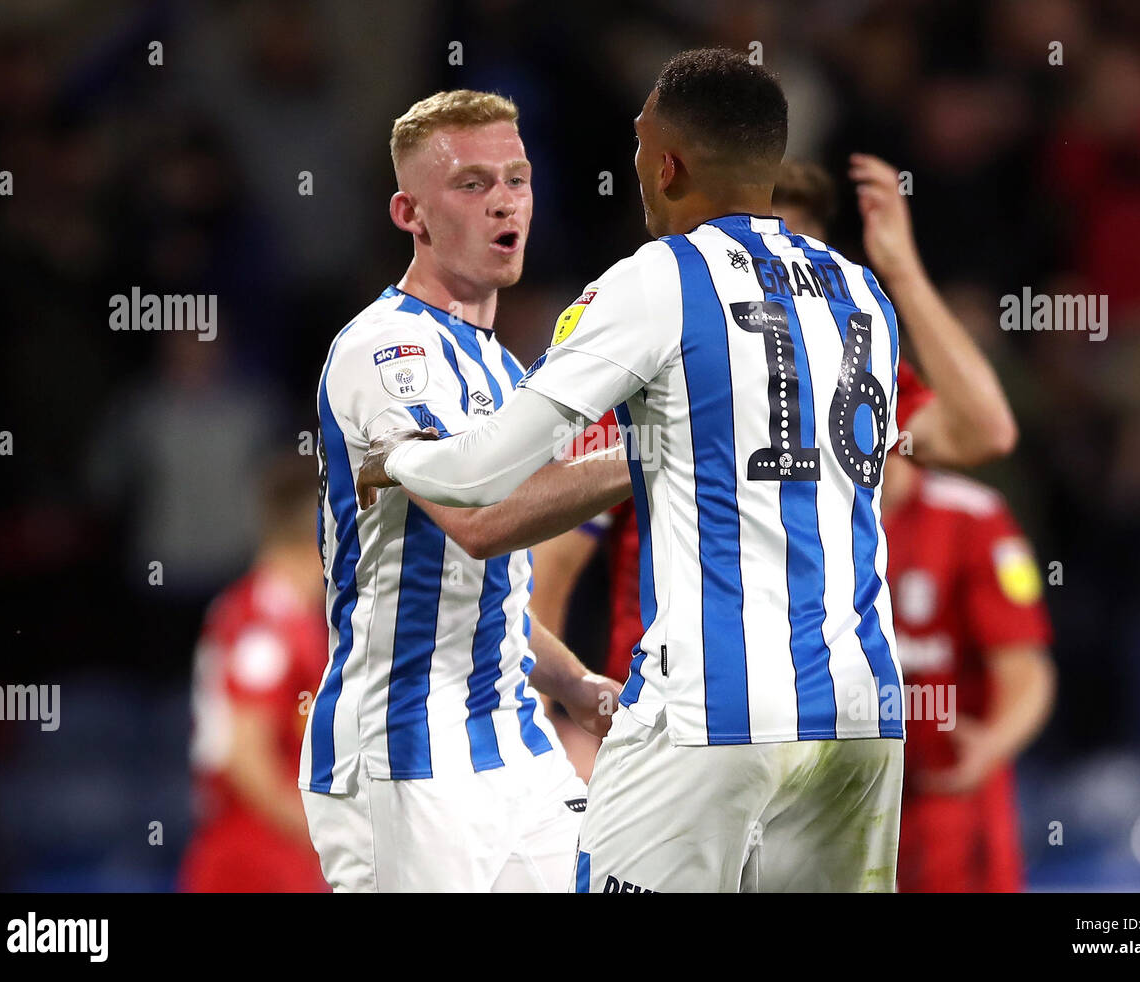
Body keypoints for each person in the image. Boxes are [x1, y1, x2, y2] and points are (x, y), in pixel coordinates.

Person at [359, 49, 911, 892]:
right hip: (861, 707)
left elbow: (480, 477)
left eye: (640, 145)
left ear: (669, 164)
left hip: (709, 710)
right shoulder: (863, 295)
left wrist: (396, 455)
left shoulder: (657, 280)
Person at [530, 153, 1020, 774]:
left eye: (798, 257)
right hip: (678, 731)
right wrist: (548, 724)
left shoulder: (851, 369)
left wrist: (902, 270)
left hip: (824, 728)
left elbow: (983, 432)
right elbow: (554, 559)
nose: (779, 278)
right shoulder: (656, 375)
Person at [300, 89, 630, 892]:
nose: (505, 202)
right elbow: (477, 525)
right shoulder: (387, 350)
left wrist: (573, 683)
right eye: (473, 184)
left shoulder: (504, 368)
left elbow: (489, 588)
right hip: (404, 754)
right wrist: (660, 455)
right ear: (409, 213)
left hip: (515, 744)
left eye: (516, 180)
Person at [882, 451, 1055, 891]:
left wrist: (992, 742)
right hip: (839, 801)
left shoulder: (972, 516)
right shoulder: (801, 515)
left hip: (949, 805)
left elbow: (1027, 670)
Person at [180, 455, 331, 893]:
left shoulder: (275, 613)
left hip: (271, 853)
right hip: (254, 860)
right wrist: (326, 840)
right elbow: (246, 757)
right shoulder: (265, 624)